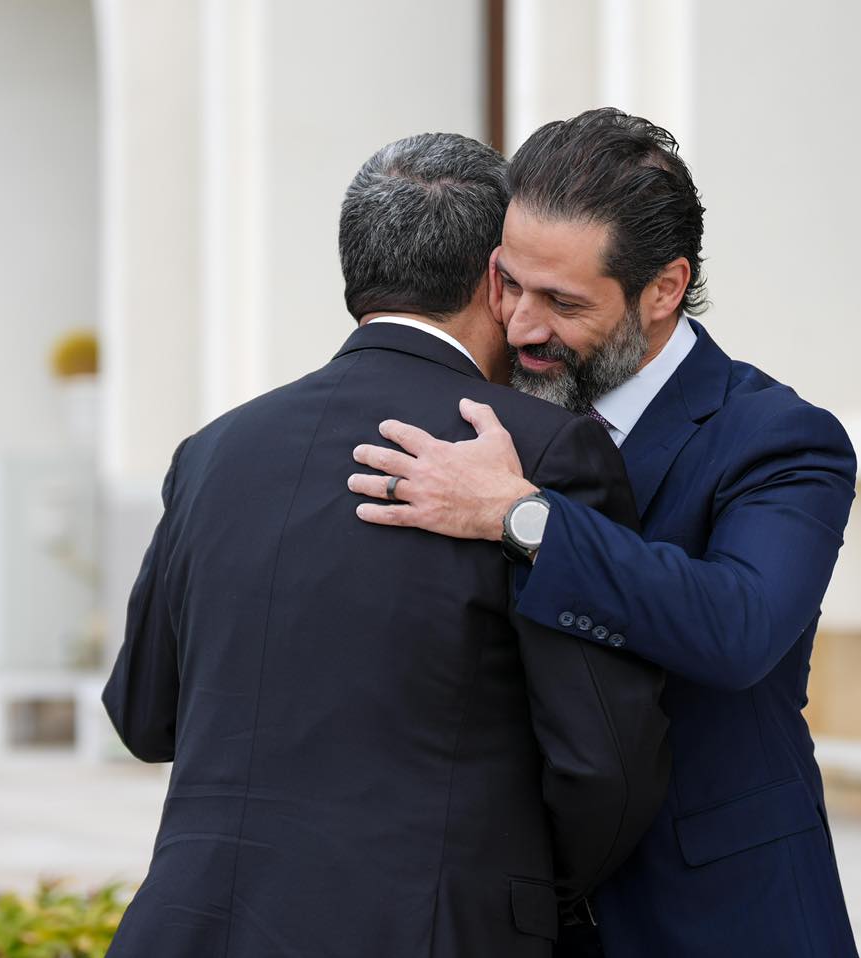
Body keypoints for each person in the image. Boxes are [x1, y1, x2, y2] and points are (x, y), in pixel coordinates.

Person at [102, 132, 670, 958]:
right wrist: (511, 895)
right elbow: (605, 764)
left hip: (191, 932)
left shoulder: (214, 451)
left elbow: (143, 716)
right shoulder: (540, 452)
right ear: (497, 278)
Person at [350, 109, 860, 957]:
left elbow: (738, 626)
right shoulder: (486, 415)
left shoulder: (781, 437)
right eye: (509, 283)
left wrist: (520, 519)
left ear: (663, 289)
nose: (521, 325)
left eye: (563, 302)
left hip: (720, 920)